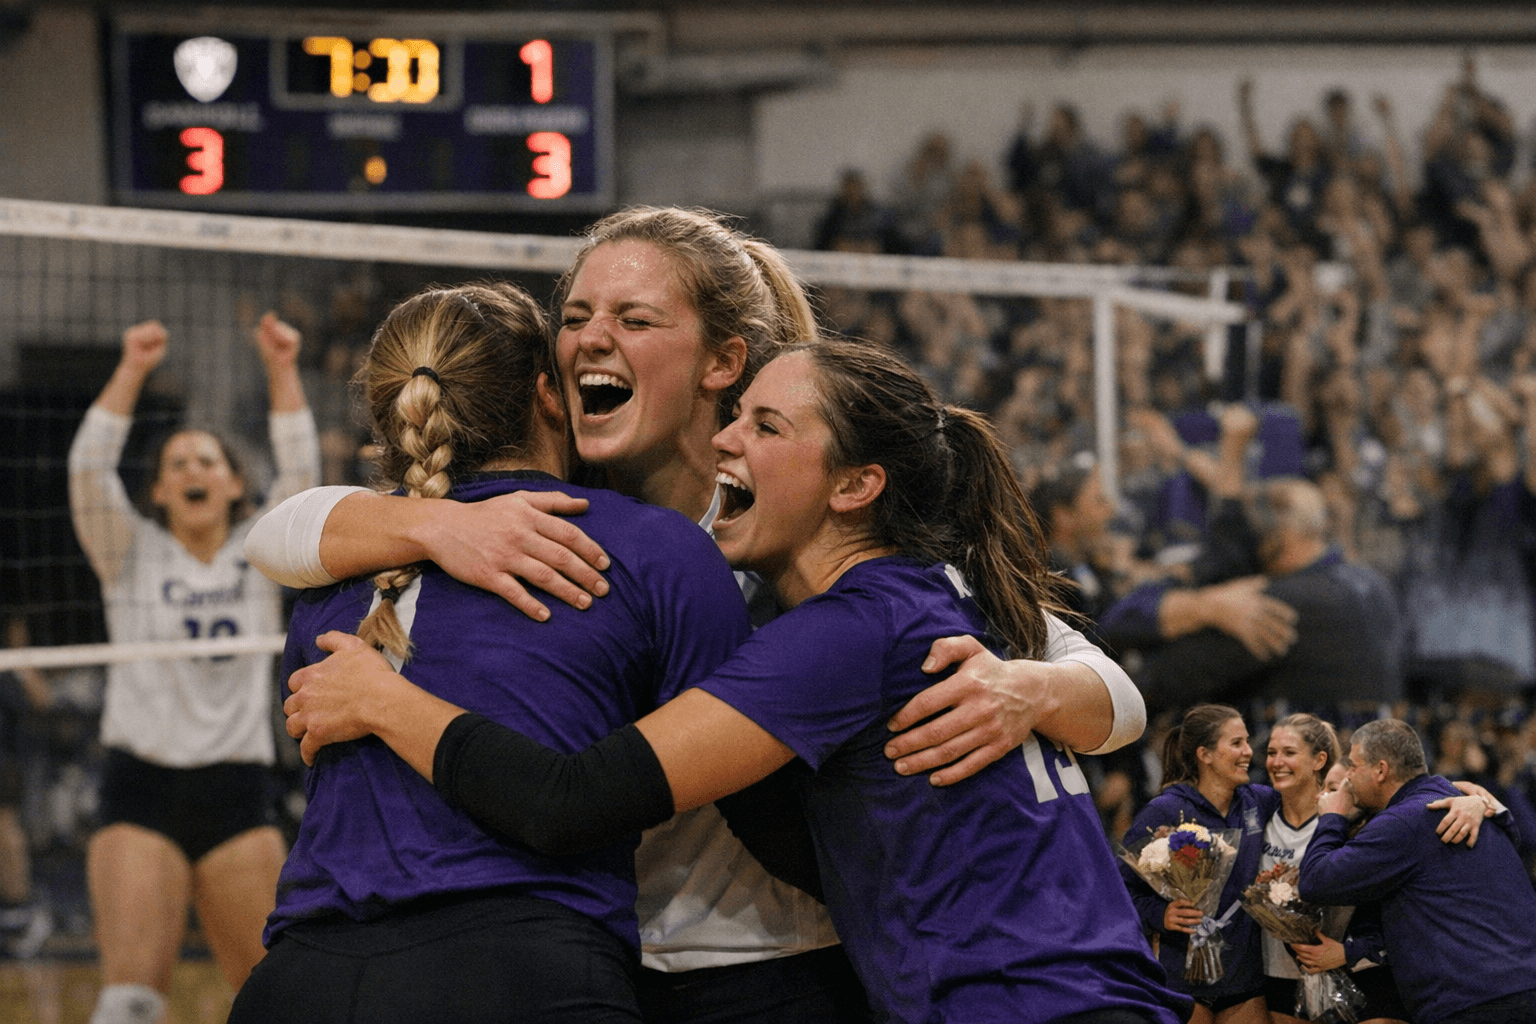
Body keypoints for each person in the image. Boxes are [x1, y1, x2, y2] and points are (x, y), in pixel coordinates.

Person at [246, 206, 1146, 1022]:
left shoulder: (826, 534)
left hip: (779, 963)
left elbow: (1115, 695)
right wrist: (433, 523)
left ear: (722, 362)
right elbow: (279, 535)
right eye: (574, 318)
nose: (591, 339)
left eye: (634, 321)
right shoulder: (532, 517)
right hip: (604, 956)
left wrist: (1030, 687)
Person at [230, 282, 752, 1023]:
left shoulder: (331, 578)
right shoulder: (653, 548)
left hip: (299, 979)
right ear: (549, 392)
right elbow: (739, 780)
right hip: (519, 968)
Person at [67, 314, 319, 1023]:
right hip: (141, 786)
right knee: (131, 1001)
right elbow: (87, 470)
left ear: (236, 485)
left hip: (235, 792)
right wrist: (131, 371)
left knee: (273, 999)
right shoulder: (128, 554)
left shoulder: (259, 556)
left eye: (207, 461)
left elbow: (301, 478)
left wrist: (281, 369)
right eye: (176, 464)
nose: (190, 471)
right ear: (156, 492)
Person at [1300, 719, 1536, 1024]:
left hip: (1473, 1001)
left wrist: (1332, 817)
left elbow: (1316, 881)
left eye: (1354, 767)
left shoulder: (1406, 820)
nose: (1347, 781)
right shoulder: (1466, 804)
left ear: (1381, 771)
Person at [1257, 715, 1490, 1024]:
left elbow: (1407, 918)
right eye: (1271, 752)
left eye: (1343, 785)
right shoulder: (1266, 809)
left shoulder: (1382, 832)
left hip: (1377, 979)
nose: (1335, 795)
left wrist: (1479, 802)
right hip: (1288, 973)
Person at [1105, 478, 1401, 714]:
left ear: (1279, 537)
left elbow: (1161, 679)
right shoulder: (1371, 582)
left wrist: (1204, 601)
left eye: (1253, 535)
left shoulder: (1273, 602)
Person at [1121, 704, 1276, 1024]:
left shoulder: (1258, 801)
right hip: (1181, 981)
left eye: (1247, 741)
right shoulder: (1164, 811)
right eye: (1236, 743)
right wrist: (1160, 914)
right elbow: (1117, 892)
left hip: (1243, 981)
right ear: (1204, 754)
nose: (1248, 751)